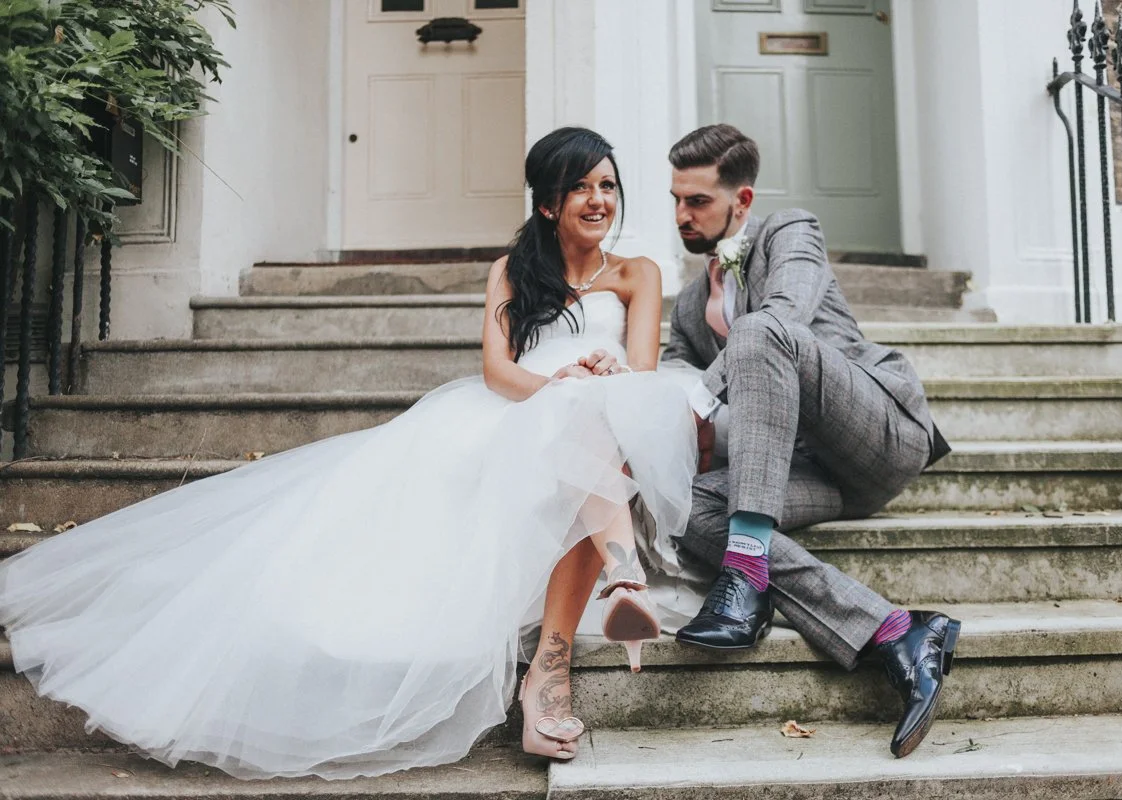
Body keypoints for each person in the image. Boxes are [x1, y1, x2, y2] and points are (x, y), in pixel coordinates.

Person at [0, 127, 699, 778]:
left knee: (598, 424)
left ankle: (565, 647)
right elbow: (498, 373)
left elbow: (642, 372)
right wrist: (559, 384)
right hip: (517, 415)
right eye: (582, 187)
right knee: (576, 428)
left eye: (607, 186)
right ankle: (614, 583)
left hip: (601, 419)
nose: (599, 200)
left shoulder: (638, 273)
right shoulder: (511, 271)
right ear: (548, 203)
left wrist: (602, 377)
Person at [662, 124, 960, 759]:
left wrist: (703, 390)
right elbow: (666, 382)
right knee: (680, 503)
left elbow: (788, 311)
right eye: (676, 201)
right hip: (798, 475)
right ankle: (897, 631)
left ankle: (744, 576)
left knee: (760, 330)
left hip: (875, 431)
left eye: (697, 202)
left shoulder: (790, 231)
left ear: (741, 201)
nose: (682, 215)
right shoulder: (689, 306)